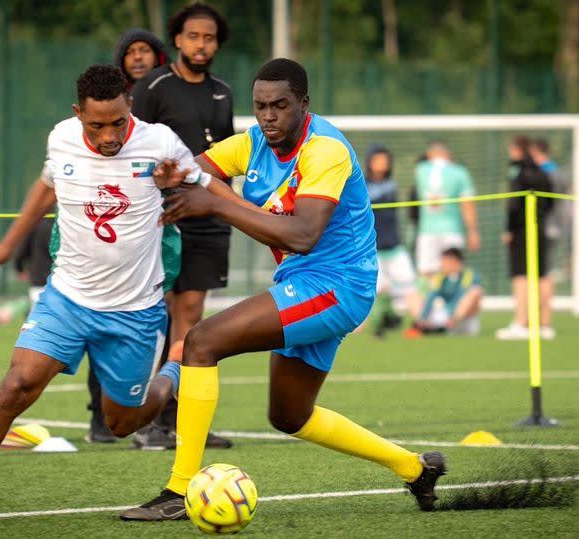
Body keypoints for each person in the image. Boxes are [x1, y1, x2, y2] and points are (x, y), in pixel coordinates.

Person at [0, 64, 234, 525]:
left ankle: (174, 369)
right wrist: (5, 248)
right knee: (15, 386)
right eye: (96, 125)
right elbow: (46, 188)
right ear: (78, 113)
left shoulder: (160, 142)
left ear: (129, 107)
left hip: (134, 312)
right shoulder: (60, 138)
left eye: (118, 122)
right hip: (68, 299)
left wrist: (264, 222)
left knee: (122, 423)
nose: (109, 135)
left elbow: (210, 188)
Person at [122, 59, 446, 521]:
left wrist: (215, 204)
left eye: (280, 105)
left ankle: (177, 492)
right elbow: (192, 172)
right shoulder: (251, 143)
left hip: (337, 286)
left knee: (201, 342)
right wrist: (159, 176)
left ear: (303, 104)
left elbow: (301, 236)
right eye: (260, 107)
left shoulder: (325, 150)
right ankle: (414, 468)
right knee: (290, 415)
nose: (268, 116)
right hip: (303, 283)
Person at [130, 1, 234, 450]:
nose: (201, 44)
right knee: (166, 319)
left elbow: (228, 157)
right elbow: (131, 151)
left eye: (209, 37)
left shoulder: (223, 91)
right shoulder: (153, 86)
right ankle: (153, 420)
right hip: (167, 219)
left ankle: (177, 419)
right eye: (193, 36)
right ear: (177, 39)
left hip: (212, 216)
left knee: (192, 321)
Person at [79, 28, 174, 444]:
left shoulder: (164, 114)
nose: (139, 58)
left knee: (156, 317)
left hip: (155, 232)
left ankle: (155, 411)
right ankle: (100, 415)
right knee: (92, 325)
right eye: (130, 51)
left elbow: (189, 169)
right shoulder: (83, 121)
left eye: (146, 51)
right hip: (96, 242)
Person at [495, 135, 554, 341]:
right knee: (542, 274)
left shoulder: (518, 172)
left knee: (521, 275)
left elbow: (513, 204)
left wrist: (510, 229)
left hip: (522, 230)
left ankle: (521, 322)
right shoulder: (542, 172)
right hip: (540, 228)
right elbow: (549, 203)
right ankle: (545, 324)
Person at [364, 145, 418, 337]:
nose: (382, 164)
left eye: (385, 160)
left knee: (410, 286)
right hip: (372, 250)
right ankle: (377, 323)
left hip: (394, 248)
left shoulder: (391, 187)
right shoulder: (362, 185)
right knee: (376, 290)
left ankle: (420, 324)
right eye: (378, 160)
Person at [413, 141, 480, 277]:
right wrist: (473, 231)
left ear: (429, 154)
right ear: (448, 154)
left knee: (426, 274)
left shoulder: (420, 170)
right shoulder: (459, 172)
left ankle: (430, 298)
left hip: (427, 231)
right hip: (452, 230)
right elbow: (467, 204)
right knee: (453, 274)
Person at [406, 248, 482, 337]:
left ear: (455, 262)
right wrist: (423, 317)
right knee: (412, 295)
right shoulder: (440, 277)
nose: (442, 265)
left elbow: (460, 297)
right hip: (444, 317)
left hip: (461, 320)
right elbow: (431, 297)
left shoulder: (469, 276)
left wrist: (452, 317)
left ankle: (450, 325)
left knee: (476, 291)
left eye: (445, 262)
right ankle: (423, 325)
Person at [529, 138, 569, 272]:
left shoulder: (549, 173)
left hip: (547, 225)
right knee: (542, 267)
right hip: (550, 224)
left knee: (543, 269)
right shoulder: (555, 173)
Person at [13, 218, 54, 309]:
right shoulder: (68, 221)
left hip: (40, 280)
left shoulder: (37, 222)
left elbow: (22, 249)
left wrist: (19, 267)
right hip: (63, 282)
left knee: (41, 317)